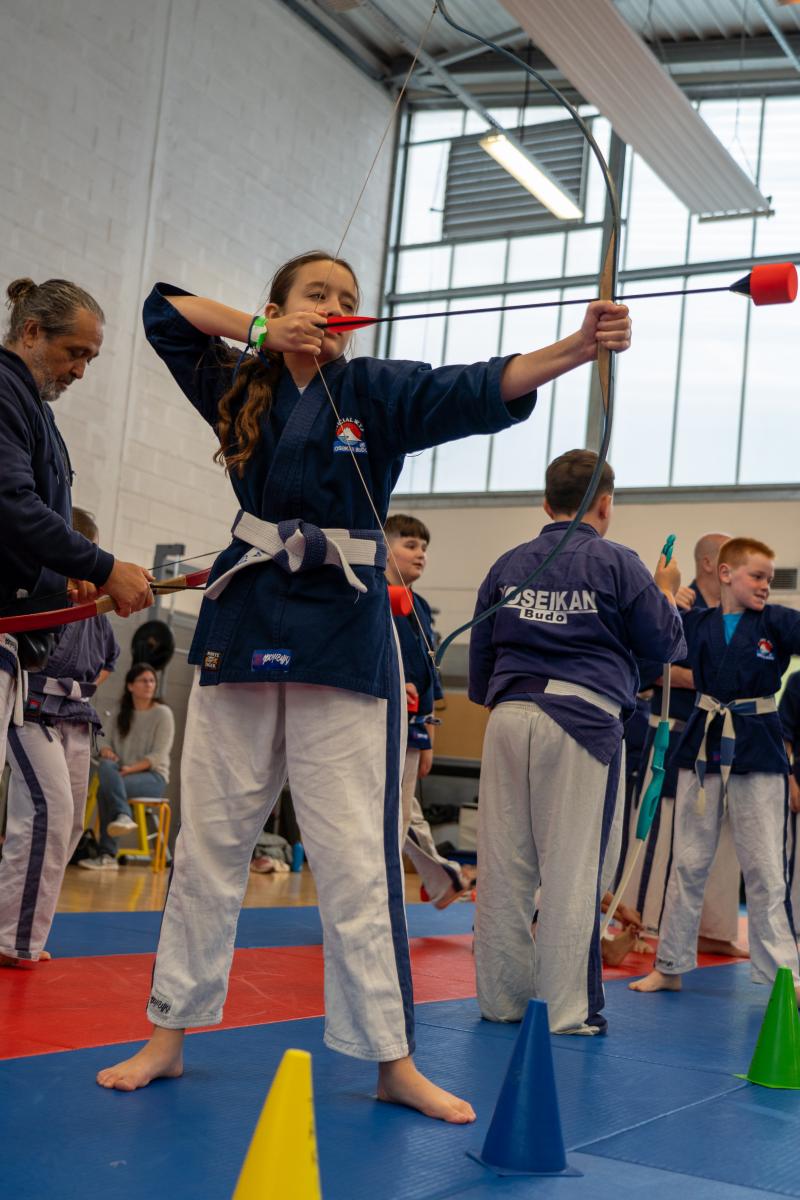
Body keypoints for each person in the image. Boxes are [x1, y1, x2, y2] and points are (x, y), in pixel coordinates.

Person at [96, 251, 631, 1119]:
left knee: (354, 857)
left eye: (348, 298)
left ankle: (390, 1058)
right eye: (317, 294)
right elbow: (165, 309)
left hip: (343, 635)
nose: (335, 307)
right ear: (279, 307)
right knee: (209, 846)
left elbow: (477, 386)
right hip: (245, 621)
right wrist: (262, 333)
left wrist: (578, 347)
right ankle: (167, 1034)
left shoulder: (376, 390)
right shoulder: (241, 385)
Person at [469, 449, 685, 1035]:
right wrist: (666, 592)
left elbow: (480, 663)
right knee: (573, 868)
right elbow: (664, 644)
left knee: (504, 867)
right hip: (582, 717)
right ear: (606, 504)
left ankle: (501, 1001)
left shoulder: (508, 562)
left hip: (508, 714)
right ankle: (566, 1011)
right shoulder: (618, 562)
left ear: (547, 504)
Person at [631, 537, 800, 997]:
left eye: (770, 578)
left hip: (758, 750)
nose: (765, 585)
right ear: (725, 574)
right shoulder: (695, 622)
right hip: (701, 748)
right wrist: (665, 591)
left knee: (764, 867)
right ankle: (669, 964)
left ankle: (784, 977)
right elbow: (650, 645)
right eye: (757, 576)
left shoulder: (777, 621)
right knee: (688, 862)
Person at [0, 276, 154, 767]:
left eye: (91, 358)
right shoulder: (5, 390)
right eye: (74, 352)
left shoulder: (33, 406)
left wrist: (69, 574)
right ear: (31, 332)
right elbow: (12, 505)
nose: (81, 371)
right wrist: (102, 567)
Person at [0, 508, 119, 965]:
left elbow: (109, 660)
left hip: (77, 715)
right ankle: (11, 937)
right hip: (31, 710)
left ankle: (22, 930)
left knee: (67, 826)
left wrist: (78, 690)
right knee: (47, 813)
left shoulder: (97, 609)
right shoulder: (40, 589)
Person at [618, 532, 745, 955]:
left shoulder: (736, 615)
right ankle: (643, 923)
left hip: (721, 736)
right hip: (673, 730)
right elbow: (651, 669)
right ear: (709, 564)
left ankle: (712, 929)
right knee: (661, 823)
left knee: (716, 830)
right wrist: (709, 679)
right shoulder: (678, 606)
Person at [384, 513, 475, 908]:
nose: (420, 553)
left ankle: (438, 879)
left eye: (424, 547)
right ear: (385, 547)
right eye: (410, 545)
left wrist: (429, 738)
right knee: (386, 813)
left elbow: (428, 677)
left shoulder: (420, 608)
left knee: (400, 813)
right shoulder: (371, 598)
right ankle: (439, 878)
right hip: (374, 721)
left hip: (411, 728)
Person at [80, 662, 174, 870]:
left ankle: (107, 854)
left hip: (152, 777)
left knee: (106, 788)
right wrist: (106, 750)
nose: (149, 684)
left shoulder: (163, 713)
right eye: (144, 680)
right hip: (119, 773)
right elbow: (102, 739)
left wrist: (129, 770)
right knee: (106, 766)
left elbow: (158, 756)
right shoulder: (120, 711)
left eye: (152, 681)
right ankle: (122, 817)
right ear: (130, 686)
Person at [779, 671, 800, 935]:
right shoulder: (797, 682)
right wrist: (790, 780)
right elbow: (785, 737)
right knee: (795, 862)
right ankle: (791, 927)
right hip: (799, 780)